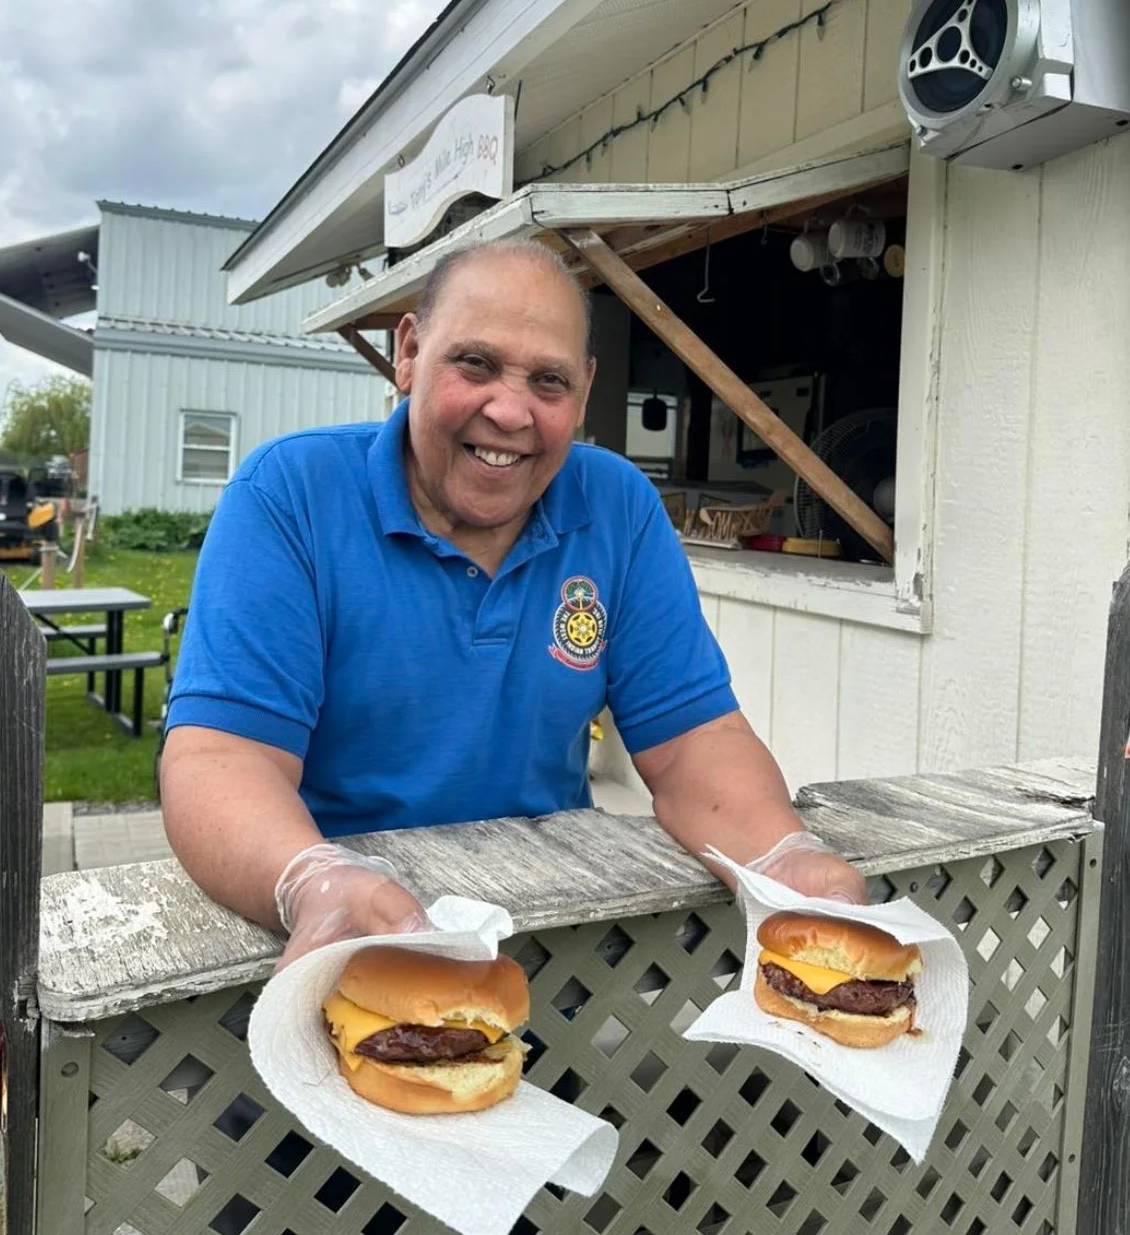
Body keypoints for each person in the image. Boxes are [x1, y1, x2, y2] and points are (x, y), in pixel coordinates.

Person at [160, 241, 866, 972]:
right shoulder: (292, 494)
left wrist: (784, 859)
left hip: (549, 941)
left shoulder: (617, 506)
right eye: (476, 365)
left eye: (549, 381)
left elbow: (693, 743)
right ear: (408, 353)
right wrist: (311, 882)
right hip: (329, 939)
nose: (509, 411)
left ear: (585, 391)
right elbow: (220, 757)